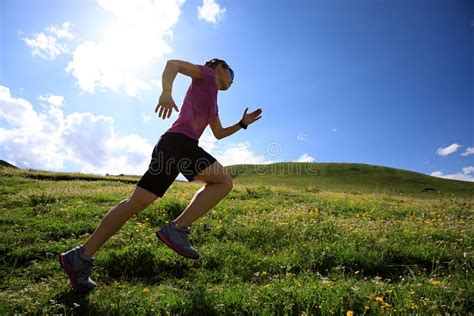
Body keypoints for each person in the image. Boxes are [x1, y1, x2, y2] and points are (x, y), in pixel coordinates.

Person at [59, 58, 263, 292]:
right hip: (179, 143)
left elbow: (218, 133)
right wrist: (166, 93)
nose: (232, 80)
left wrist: (242, 124)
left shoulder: (213, 101)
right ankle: (176, 228)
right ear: (219, 68)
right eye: (231, 73)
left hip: (172, 147)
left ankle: (80, 256)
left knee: (134, 204)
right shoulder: (206, 74)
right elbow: (173, 64)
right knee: (223, 182)